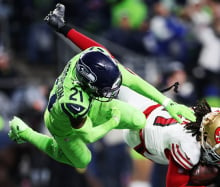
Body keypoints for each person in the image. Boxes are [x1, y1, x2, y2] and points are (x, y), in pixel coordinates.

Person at [8, 4, 195, 170]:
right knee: (83, 160)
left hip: (92, 102)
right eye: (106, 89)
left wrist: (166, 102)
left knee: (138, 120)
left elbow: (134, 80)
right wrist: (112, 122)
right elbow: (88, 135)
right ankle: (27, 133)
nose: (111, 93)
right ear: (89, 83)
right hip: (63, 123)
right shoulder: (73, 103)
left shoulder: (94, 57)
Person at [119, 86, 220, 187]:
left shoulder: (214, 116)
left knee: (116, 79)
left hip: (152, 107)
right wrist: (208, 184)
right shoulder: (188, 147)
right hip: (138, 135)